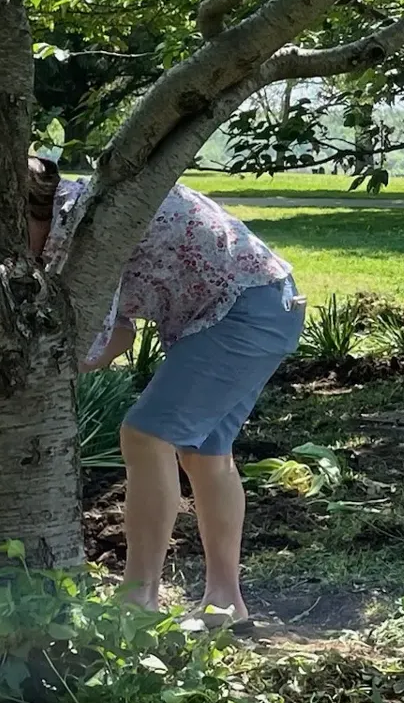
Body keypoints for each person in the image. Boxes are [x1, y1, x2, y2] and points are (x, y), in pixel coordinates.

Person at [34, 163, 304, 626]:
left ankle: (138, 603)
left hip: (242, 309)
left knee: (146, 436)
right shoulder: (89, 205)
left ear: (28, 209)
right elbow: (115, 335)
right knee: (204, 454)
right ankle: (225, 606)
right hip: (263, 301)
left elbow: (86, 343)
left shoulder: (81, 228)